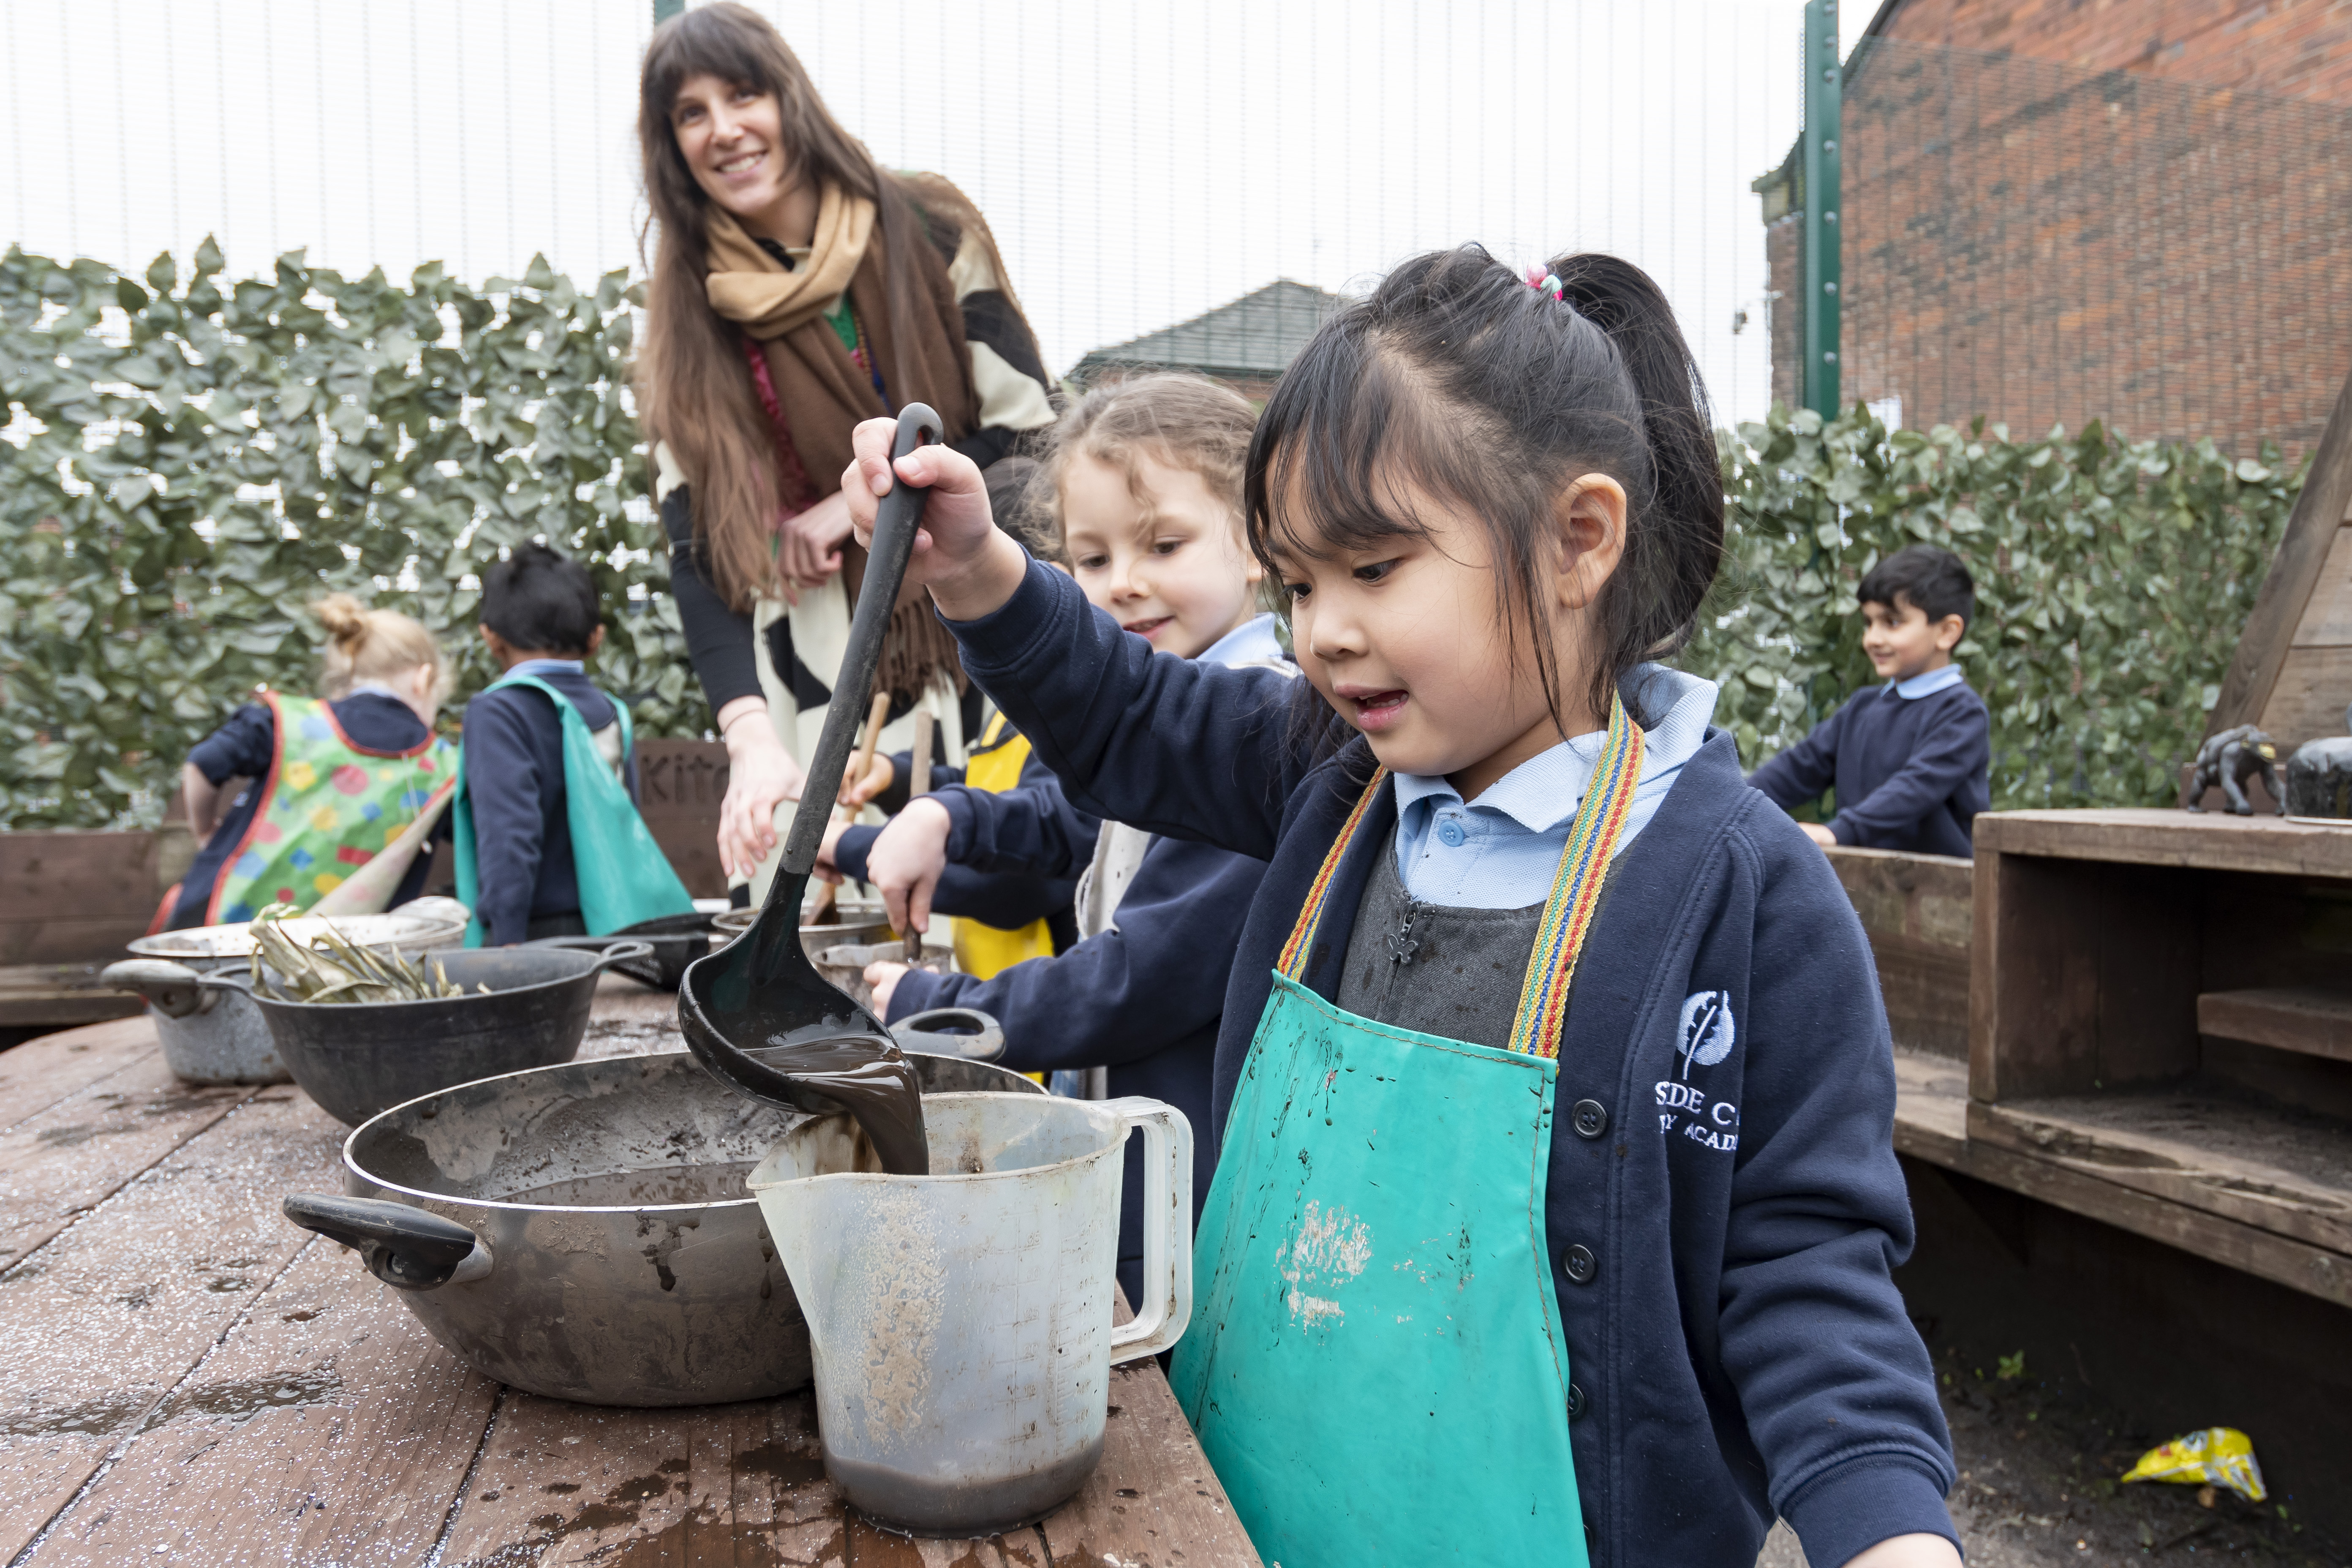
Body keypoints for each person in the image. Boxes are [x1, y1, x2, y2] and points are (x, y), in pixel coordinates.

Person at [837, 249, 1961, 1568]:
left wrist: (1889, 1534)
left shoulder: (1746, 893)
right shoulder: (1330, 782)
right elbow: (1130, 711)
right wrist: (974, 568)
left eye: (1372, 570)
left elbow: (1804, 1267)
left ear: (1576, 541)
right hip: (1246, 1513)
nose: (1318, 633)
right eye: (1299, 583)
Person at [827, 373, 1280, 1303]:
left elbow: (1138, 979)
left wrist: (942, 1005)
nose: (1126, 582)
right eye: (1092, 556)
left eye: (1165, 543)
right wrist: (944, 811)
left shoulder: (1265, 743)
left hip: (1205, 1183)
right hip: (1136, 1145)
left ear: (1259, 544)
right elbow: (1064, 823)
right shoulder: (1151, 728)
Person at [630, 1, 1058, 900]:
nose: (725, 129)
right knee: (817, 911)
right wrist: (747, 738)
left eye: (742, 93)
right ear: (673, 146)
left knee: (978, 905)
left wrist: (859, 496)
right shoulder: (683, 310)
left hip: (971, 625)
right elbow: (695, 548)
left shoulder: (928, 225)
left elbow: (1029, 434)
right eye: (691, 112)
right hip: (810, 657)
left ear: (791, 97)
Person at [450, 543, 696, 947]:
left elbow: (509, 833)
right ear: (596, 638)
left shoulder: (498, 712)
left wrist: (506, 942)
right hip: (610, 926)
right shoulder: (611, 710)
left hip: (531, 934)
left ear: (491, 639)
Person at [166, 595, 455, 930]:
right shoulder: (445, 767)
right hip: (339, 952)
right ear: (424, 679)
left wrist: (203, 830)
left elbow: (204, 762)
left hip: (221, 928)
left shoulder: (292, 724)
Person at [1747, 544, 1990, 858]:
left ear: (1946, 631)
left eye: (1892, 622)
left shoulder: (1962, 713)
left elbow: (1915, 788)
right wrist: (1738, 801)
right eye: (1869, 622)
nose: (1873, 638)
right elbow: (1799, 767)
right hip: (1867, 883)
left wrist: (1840, 831)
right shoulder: (1862, 708)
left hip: (1944, 895)